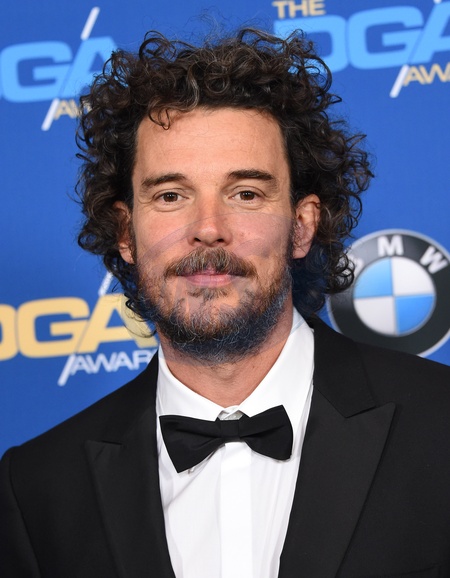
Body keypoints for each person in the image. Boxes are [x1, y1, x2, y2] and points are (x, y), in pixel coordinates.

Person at [1, 27, 450, 578]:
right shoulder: (36, 488)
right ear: (125, 233)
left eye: (246, 194)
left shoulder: (440, 425)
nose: (209, 228)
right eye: (171, 195)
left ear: (301, 225)